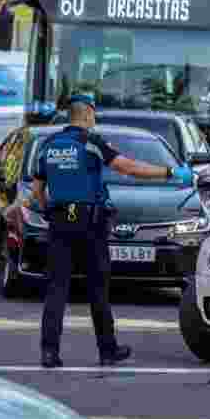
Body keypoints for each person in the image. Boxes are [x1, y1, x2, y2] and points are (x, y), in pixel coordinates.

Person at [31, 92, 194, 369]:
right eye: (93, 114)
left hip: (59, 222)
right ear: (86, 114)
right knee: (97, 289)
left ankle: (49, 352)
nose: (94, 119)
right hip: (89, 223)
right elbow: (128, 168)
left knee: (57, 288)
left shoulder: (48, 145)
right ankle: (107, 350)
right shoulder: (91, 143)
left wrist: (49, 210)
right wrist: (169, 173)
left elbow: (37, 190)